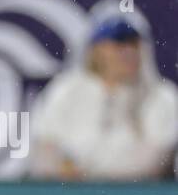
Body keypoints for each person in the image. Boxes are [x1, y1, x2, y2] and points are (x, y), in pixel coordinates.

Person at [30, 14, 178, 181]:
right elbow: (43, 153)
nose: (129, 52)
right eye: (118, 44)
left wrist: (86, 172)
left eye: (134, 44)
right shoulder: (65, 91)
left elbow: (155, 163)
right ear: (97, 50)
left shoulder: (162, 96)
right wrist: (63, 168)